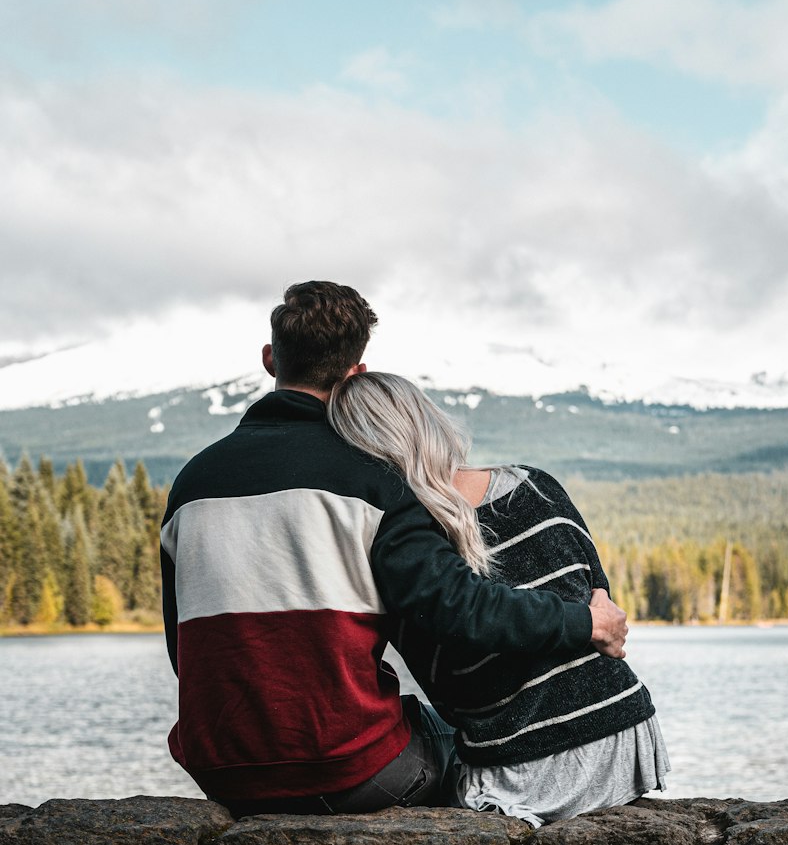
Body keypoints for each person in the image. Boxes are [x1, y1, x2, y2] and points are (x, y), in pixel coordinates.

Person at [160, 281, 628, 815]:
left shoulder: (190, 484)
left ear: (271, 360)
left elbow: (183, 650)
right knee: (461, 744)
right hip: (348, 771)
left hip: (223, 773)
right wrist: (583, 623)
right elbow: (456, 605)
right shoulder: (372, 479)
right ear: (356, 373)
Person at [328, 371, 669, 826]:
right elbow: (600, 596)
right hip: (626, 729)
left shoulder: (398, 544)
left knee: (403, 736)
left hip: (526, 770)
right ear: (427, 421)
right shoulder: (533, 483)